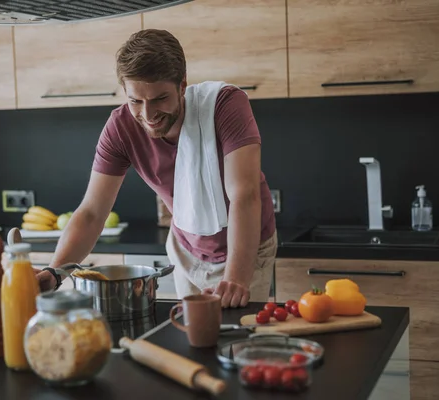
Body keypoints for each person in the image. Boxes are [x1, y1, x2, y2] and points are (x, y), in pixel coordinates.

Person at [36, 29, 277, 308]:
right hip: (186, 250)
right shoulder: (121, 128)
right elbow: (92, 213)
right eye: (135, 100)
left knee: (235, 340)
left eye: (160, 98)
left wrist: (235, 279)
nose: (148, 115)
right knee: (192, 341)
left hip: (246, 251)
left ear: (182, 85)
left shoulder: (225, 105)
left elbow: (244, 195)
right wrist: (55, 272)